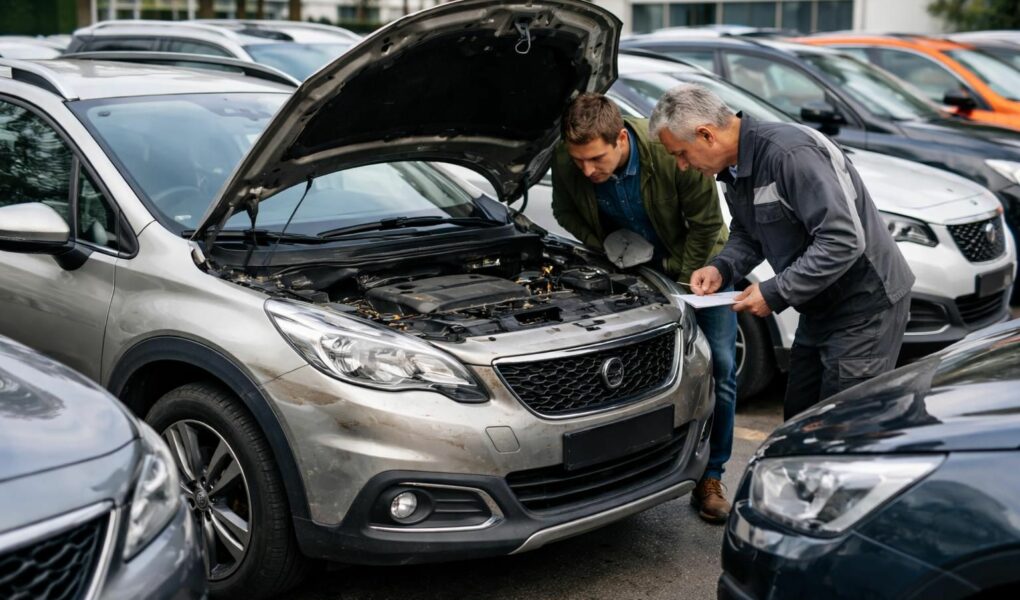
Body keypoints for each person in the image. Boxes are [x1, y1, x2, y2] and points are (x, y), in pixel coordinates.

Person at [649, 83, 914, 420]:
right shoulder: (734, 169)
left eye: (681, 154)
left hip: (865, 307)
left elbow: (842, 240)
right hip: (819, 306)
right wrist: (722, 267)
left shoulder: (790, 155)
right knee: (801, 418)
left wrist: (774, 291)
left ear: (706, 135)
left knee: (842, 427)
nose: (682, 166)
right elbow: (749, 232)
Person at [551, 92, 737, 524]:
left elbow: (707, 226)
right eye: (579, 161)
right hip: (631, 268)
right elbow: (564, 211)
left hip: (700, 269)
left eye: (596, 159)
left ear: (620, 138)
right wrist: (609, 248)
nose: (587, 170)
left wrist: (682, 289)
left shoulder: (672, 151)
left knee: (721, 367)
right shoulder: (567, 158)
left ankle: (710, 478)